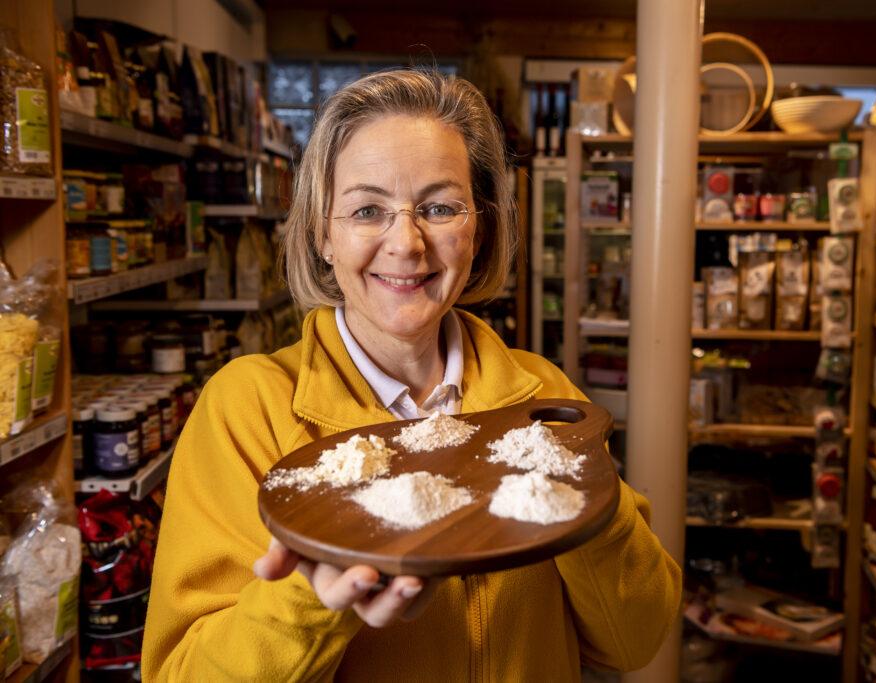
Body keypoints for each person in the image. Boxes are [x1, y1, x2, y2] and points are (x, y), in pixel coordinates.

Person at [142, 69, 681, 681]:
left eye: (439, 207)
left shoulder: (543, 396)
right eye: (367, 209)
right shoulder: (247, 411)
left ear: (477, 229)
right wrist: (309, 599)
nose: (406, 242)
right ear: (323, 233)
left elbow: (636, 639)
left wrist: (588, 507)